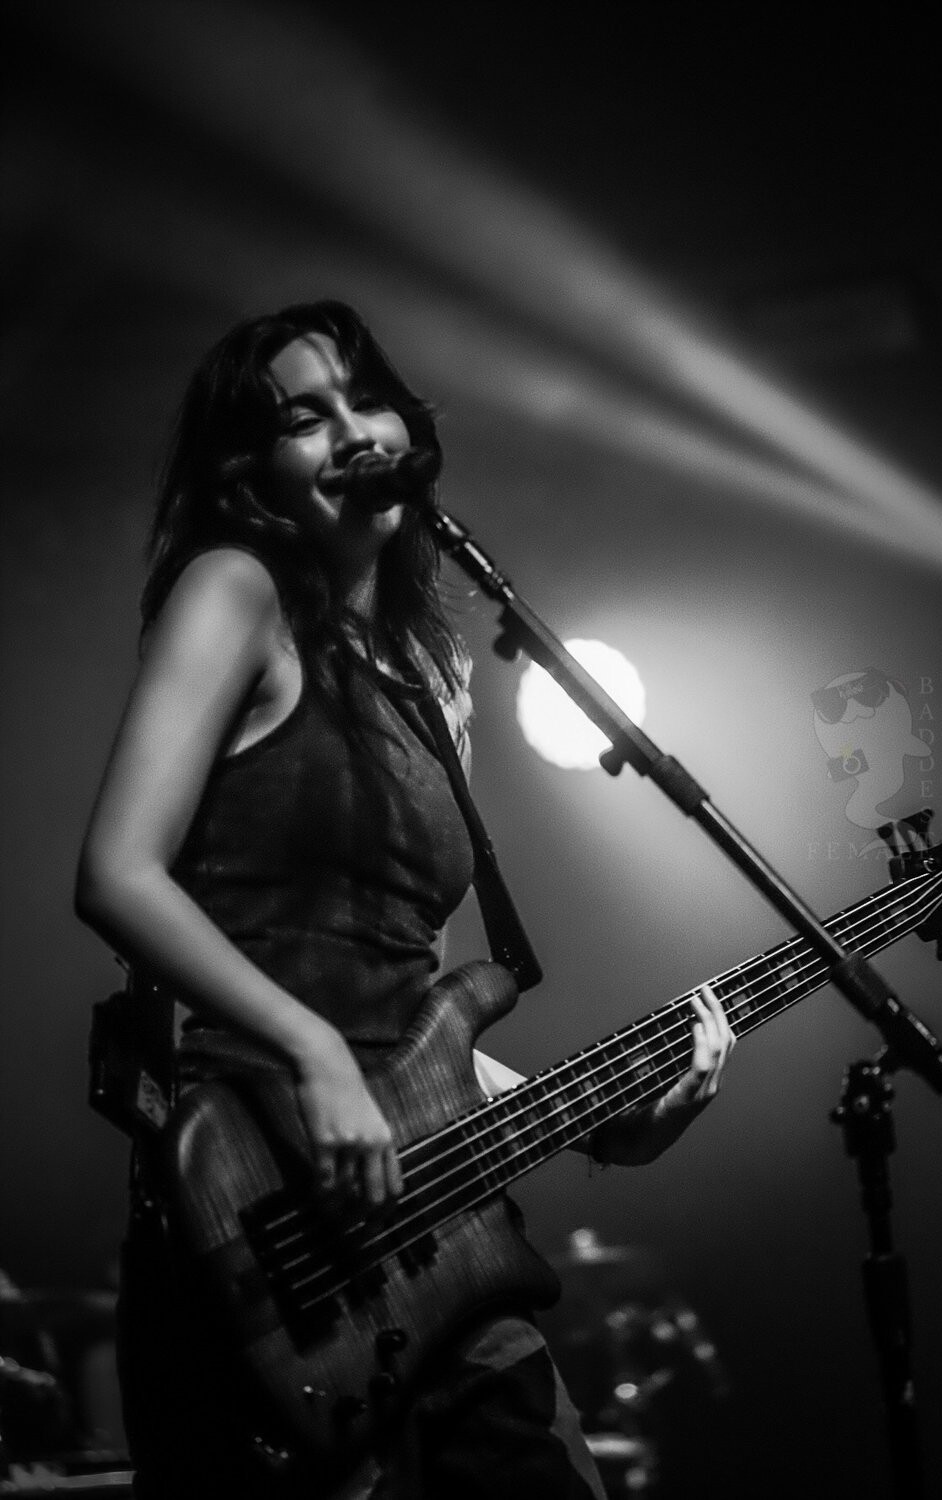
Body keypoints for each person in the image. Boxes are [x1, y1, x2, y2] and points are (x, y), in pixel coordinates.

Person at [75, 300, 735, 1499]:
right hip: (257, 1220)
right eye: (303, 417)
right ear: (249, 471)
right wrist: (312, 1050)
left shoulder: (436, 680)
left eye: (364, 401)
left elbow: (416, 1023)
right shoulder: (237, 591)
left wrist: (605, 1125)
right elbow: (117, 872)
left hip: (425, 1239)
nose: (351, 434)